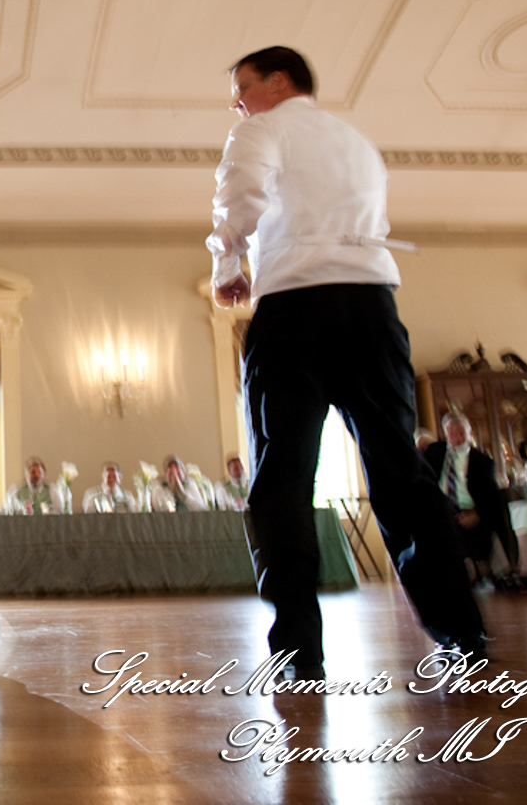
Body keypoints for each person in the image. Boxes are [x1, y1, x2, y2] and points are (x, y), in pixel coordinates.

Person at [207, 46, 484, 679]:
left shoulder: (261, 129)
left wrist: (226, 266)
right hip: (372, 312)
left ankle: (298, 654)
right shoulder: (359, 144)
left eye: (242, 87)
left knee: (281, 481)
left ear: (279, 80)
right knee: (401, 472)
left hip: (294, 314)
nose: (236, 103)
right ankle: (461, 633)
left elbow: (238, 195)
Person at [422, 413, 517, 584]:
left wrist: (476, 514)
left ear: (469, 433)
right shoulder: (435, 452)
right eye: (452, 432)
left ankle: (472, 568)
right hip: (442, 508)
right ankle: (460, 569)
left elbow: (491, 497)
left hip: (471, 509)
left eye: (461, 432)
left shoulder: (483, 462)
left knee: (471, 529)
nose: (457, 437)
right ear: (445, 433)